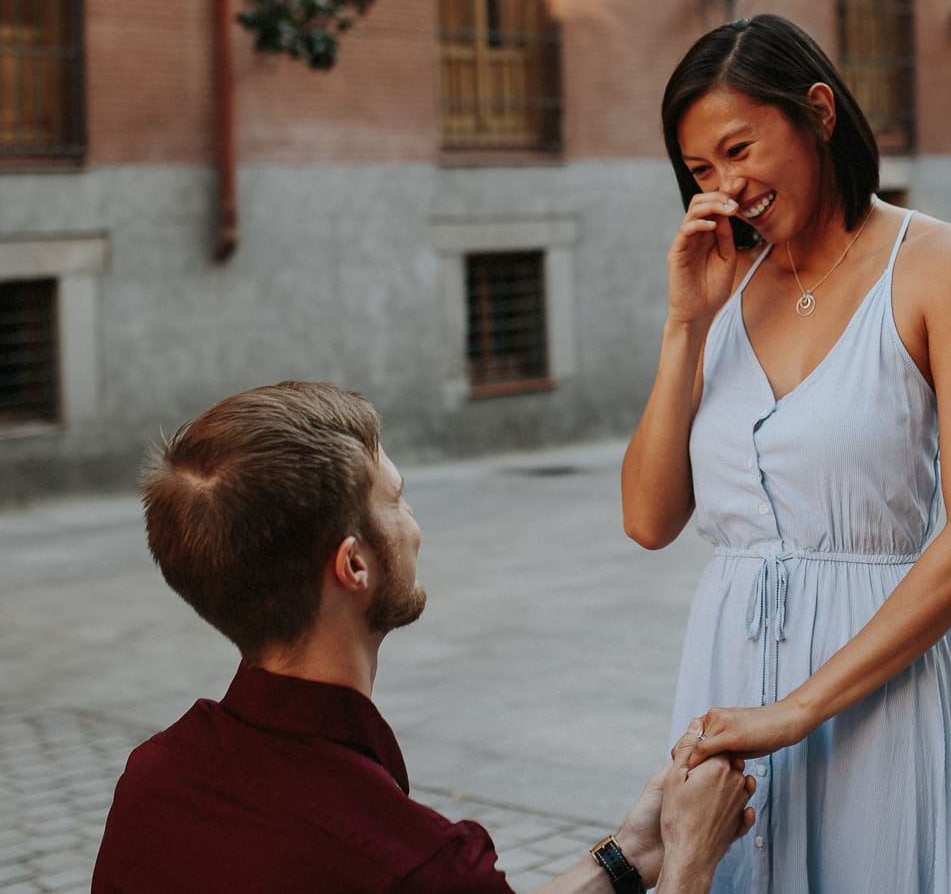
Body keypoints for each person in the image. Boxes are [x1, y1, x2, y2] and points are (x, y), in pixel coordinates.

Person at [621, 15, 951, 893]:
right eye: (700, 170)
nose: (726, 187)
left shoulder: (946, 268)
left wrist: (798, 709)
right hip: (725, 682)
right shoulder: (724, 289)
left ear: (819, 111)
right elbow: (649, 519)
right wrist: (686, 320)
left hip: (875, 693)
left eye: (739, 148)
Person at [94, 381, 755, 894]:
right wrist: (692, 856)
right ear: (354, 564)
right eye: (397, 498)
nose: (413, 523)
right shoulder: (410, 861)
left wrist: (628, 856)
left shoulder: (153, 779)